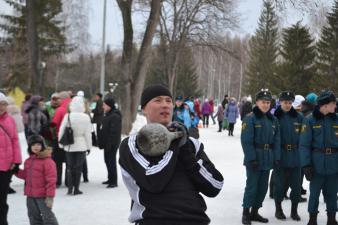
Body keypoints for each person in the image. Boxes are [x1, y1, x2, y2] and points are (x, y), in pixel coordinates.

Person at [119, 84, 224, 225]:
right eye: (158, 100)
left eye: (169, 101)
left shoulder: (191, 144)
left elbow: (214, 186)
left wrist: (186, 152)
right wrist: (172, 141)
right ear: (144, 108)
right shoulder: (133, 144)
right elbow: (153, 181)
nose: (165, 105)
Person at [241, 89, 281, 225]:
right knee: (252, 186)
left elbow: (277, 140)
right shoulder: (250, 118)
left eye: (268, 102)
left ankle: (255, 211)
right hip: (255, 157)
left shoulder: (273, 119)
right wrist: (251, 158)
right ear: (257, 102)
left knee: (263, 187)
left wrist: (276, 158)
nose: (265, 105)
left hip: (268, 157)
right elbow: (246, 141)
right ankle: (246, 212)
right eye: (263, 102)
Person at [300, 90, 338, 225]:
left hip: (334, 164)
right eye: (333, 103)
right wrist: (306, 165)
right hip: (316, 165)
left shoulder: (336, 119)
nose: (335, 106)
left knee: (333, 194)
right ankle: (312, 219)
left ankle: (332, 219)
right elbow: (304, 145)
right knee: (314, 195)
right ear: (325, 105)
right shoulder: (310, 120)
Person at [272, 91, 303, 221]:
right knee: (279, 185)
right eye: (285, 102)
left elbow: (304, 136)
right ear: (280, 102)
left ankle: (294, 211)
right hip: (281, 155)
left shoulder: (299, 117)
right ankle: (278, 209)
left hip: (296, 156)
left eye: (290, 102)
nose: (288, 105)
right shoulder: (274, 117)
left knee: (296, 186)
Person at [15, 135, 58, 225]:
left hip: (43, 196)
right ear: (30, 147)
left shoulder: (47, 162)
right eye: (33, 145)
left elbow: (51, 180)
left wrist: (50, 196)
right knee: (33, 216)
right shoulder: (28, 161)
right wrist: (16, 170)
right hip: (30, 196)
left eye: (38, 144)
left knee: (48, 217)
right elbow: (26, 175)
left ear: (43, 146)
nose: (36, 147)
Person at [58, 96, 92, 195]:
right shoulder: (86, 117)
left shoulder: (68, 116)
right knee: (78, 167)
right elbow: (88, 134)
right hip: (81, 145)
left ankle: (69, 188)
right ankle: (76, 188)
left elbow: (61, 130)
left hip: (69, 145)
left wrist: (60, 144)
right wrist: (89, 147)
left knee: (69, 167)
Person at [0, 93, 22, 225]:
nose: (1, 107)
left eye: (3, 104)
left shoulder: (10, 120)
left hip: (6, 166)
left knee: (2, 200)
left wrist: (17, 160)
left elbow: (15, 140)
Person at [97, 97, 122, 188]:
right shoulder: (108, 114)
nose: (103, 106)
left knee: (111, 161)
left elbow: (114, 132)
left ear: (109, 105)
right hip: (107, 143)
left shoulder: (115, 116)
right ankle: (110, 178)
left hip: (112, 144)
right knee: (107, 161)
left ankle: (113, 181)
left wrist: (109, 144)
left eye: (104, 105)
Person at [51, 91, 71, 187]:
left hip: (60, 138)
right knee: (69, 161)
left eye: (58, 98)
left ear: (62, 99)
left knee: (57, 161)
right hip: (71, 139)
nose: (57, 100)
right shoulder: (73, 107)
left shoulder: (60, 109)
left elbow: (54, 123)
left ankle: (57, 181)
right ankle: (68, 181)